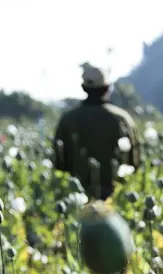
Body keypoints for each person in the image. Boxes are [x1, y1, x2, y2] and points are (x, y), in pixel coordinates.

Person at [54, 63, 141, 200]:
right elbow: (134, 162)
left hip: (77, 196)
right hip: (116, 196)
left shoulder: (68, 119)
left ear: (83, 88)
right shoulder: (123, 119)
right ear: (107, 88)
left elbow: (59, 162)